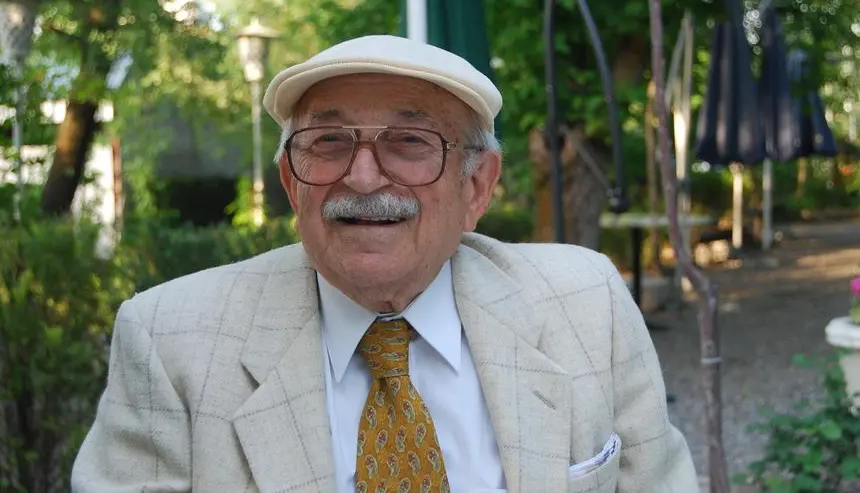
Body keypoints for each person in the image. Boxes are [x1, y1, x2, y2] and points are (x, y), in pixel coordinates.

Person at [72, 34, 698, 493]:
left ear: (476, 188)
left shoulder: (586, 304)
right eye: (328, 142)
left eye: (409, 142)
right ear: (292, 184)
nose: (364, 177)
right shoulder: (172, 342)